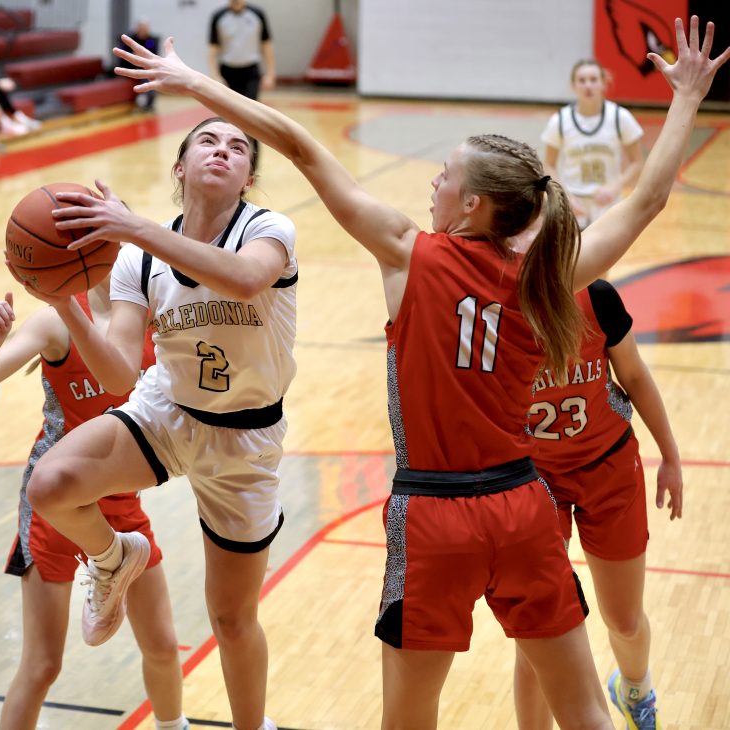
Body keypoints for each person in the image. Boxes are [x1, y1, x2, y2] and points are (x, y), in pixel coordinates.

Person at [113, 15, 729, 729]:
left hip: (433, 515)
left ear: (472, 203)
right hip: (525, 507)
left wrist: (196, 85)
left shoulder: (409, 255)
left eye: (446, 174)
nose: (433, 181)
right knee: (587, 715)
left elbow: (302, 148)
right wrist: (685, 95)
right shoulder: (545, 275)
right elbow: (647, 202)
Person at [14, 117, 296, 730]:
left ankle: (254, 726)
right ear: (180, 166)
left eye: (238, 148)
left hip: (244, 437)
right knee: (51, 484)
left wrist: (132, 226)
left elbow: (244, 280)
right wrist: (63, 301)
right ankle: (113, 558)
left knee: (231, 616)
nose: (223, 150)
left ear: (248, 177)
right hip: (165, 410)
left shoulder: (269, 231)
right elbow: (117, 373)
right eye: (208, 141)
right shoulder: (137, 260)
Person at [0, 281, 188, 730]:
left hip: (119, 499)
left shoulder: (155, 314)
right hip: (55, 502)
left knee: (162, 646)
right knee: (43, 664)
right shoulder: (56, 319)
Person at [512, 280, 682, 730]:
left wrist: (671, 456)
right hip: (533, 478)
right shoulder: (494, 300)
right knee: (536, 635)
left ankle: (635, 689)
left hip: (607, 467)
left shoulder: (597, 296)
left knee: (624, 620)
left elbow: (635, 374)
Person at [542, 59, 645, 229]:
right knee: (571, 255)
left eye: (593, 79)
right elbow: (548, 165)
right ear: (573, 85)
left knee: (609, 255)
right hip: (573, 202)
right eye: (582, 80)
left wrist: (614, 187)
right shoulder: (559, 120)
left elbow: (637, 163)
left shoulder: (620, 117)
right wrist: (564, 195)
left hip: (608, 202)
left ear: (604, 83)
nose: (588, 85)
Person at [208, 0, 275, 101]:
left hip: (251, 71)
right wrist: (215, 75)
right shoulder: (218, 16)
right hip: (227, 72)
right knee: (228, 108)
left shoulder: (257, 14)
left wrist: (270, 74)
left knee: (251, 108)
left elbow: (266, 45)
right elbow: (213, 48)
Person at [117, 19, 161, 111]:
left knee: (151, 78)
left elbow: (154, 55)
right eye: (141, 28)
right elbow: (123, 55)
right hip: (130, 67)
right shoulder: (131, 39)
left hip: (145, 69)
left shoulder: (151, 40)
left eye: (145, 28)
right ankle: (141, 100)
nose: (144, 30)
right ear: (137, 28)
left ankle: (148, 102)